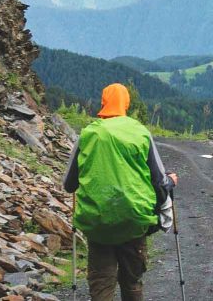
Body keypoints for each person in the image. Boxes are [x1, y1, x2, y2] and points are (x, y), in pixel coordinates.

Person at [63, 83, 178, 301]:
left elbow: (69, 185)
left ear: (103, 102)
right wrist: (170, 183)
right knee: (132, 282)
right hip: (133, 222)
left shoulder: (88, 134)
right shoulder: (140, 133)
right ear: (126, 103)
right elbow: (159, 184)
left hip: (98, 223)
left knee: (101, 285)